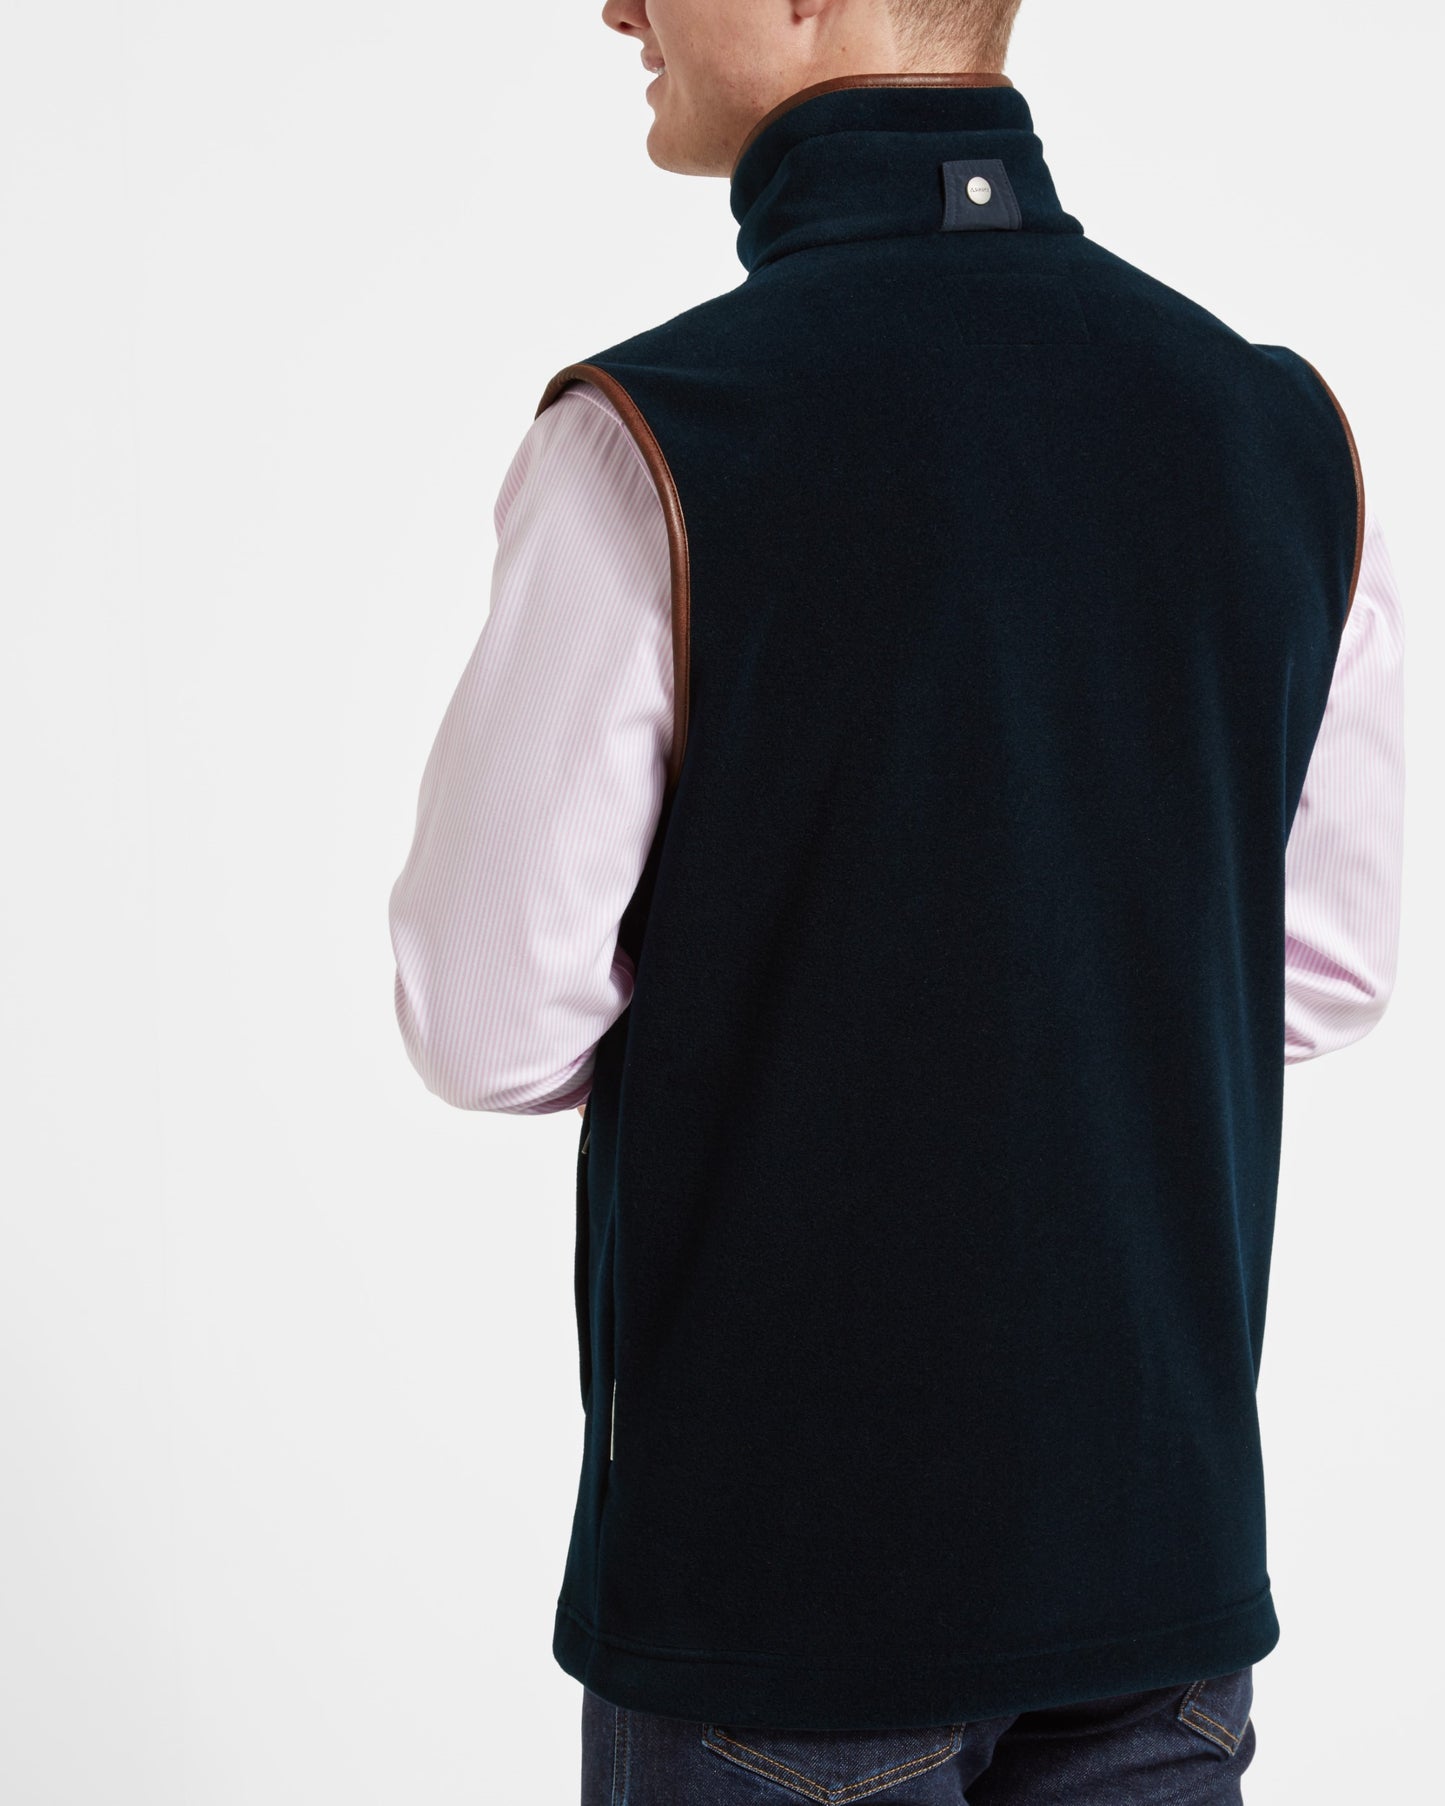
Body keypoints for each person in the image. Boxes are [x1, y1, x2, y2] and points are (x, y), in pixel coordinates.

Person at [388, 0, 1406, 1798]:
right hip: (1158, 1567)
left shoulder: (655, 440)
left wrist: (800, 987)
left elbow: (484, 1018)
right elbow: (1320, 969)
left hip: (784, 1597)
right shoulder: (1270, 428)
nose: (616, 5)